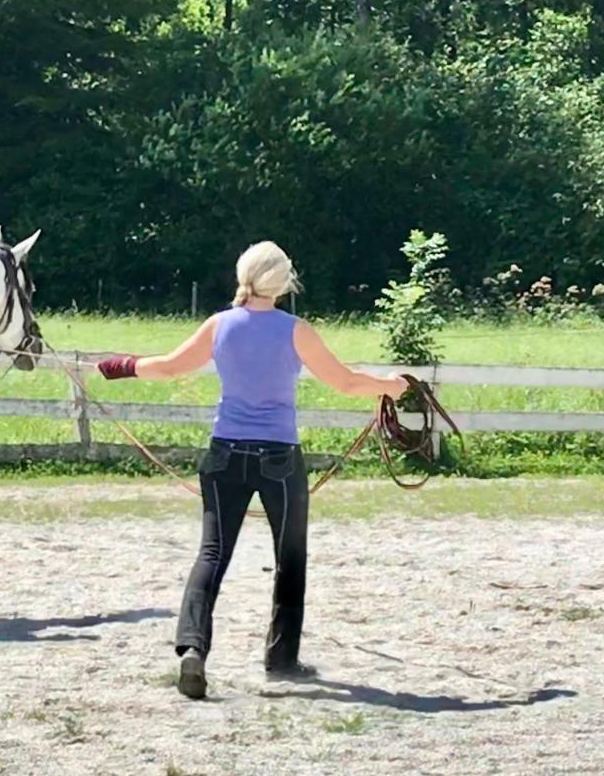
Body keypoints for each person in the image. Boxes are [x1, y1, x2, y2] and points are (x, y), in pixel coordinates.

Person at [96, 241, 407, 699]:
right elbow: (344, 381)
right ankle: (281, 659)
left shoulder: (219, 325)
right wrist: (391, 386)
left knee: (212, 555)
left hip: (224, 455)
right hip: (280, 458)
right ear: (282, 283)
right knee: (290, 558)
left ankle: (193, 651)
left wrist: (114, 366)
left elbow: (167, 368)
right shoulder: (296, 330)